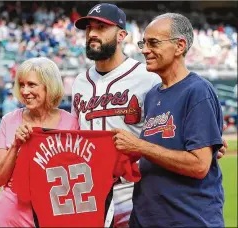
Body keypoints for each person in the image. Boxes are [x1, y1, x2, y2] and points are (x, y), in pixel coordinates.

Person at [72, 3, 227, 227]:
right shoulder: (154, 92)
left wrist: (208, 144)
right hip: (119, 202)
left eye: (101, 27)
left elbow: (198, 159)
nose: (92, 33)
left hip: (142, 197)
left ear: (121, 35)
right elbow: (162, 134)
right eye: (89, 28)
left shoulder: (152, 79)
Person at [112, 13, 225, 227]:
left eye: (153, 43)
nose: (145, 50)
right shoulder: (153, 94)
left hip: (188, 218)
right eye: (143, 43)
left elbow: (200, 165)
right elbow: (162, 147)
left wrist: (140, 146)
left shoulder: (198, 91)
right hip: (147, 217)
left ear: (180, 46)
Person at [0, 57, 79, 227]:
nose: (24, 91)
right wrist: (15, 145)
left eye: (31, 84)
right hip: (9, 217)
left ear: (49, 86)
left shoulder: (70, 123)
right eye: (21, 85)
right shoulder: (9, 121)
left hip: (52, 215)